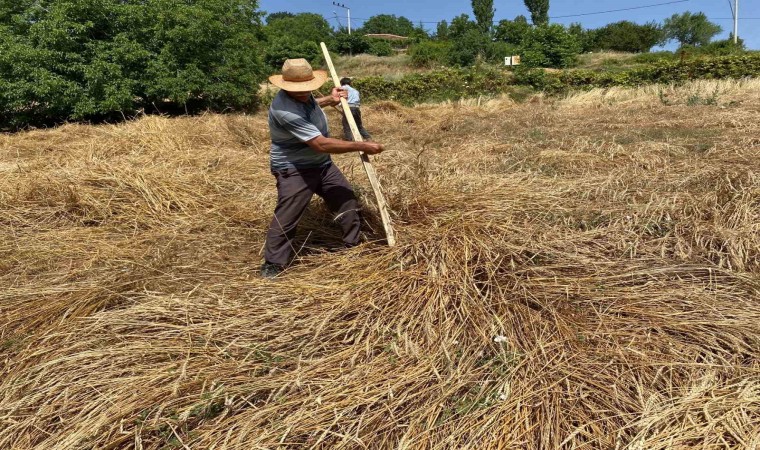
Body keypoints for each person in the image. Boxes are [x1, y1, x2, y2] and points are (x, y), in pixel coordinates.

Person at [261, 59, 385, 279]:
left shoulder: (303, 95)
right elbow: (320, 144)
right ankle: (274, 263)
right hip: (294, 168)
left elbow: (310, 104)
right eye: (298, 90)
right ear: (286, 87)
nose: (304, 93)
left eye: (307, 88)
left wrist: (331, 99)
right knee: (288, 215)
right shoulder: (284, 110)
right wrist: (361, 145)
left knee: (346, 200)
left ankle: (351, 245)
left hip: (322, 164)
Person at [340, 77, 372, 141]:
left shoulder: (342, 89)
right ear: (350, 83)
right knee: (358, 125)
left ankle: (348, 139)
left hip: (348, 108)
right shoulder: (355, 91)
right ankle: (368, 137)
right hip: (356, 108)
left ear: (341, 83)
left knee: (346, 124)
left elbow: (339, 99)